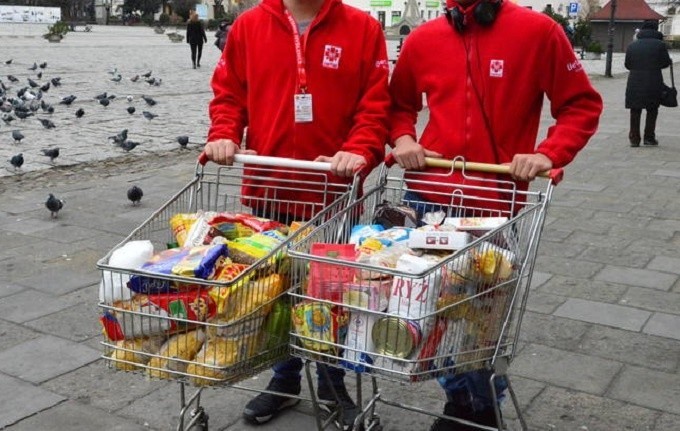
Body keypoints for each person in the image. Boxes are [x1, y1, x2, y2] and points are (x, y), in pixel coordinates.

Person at [388, 0, 602, 429]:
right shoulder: (425, 39)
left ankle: (485, 405)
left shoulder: (539, 32)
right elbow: (397, 104)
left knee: (484, 318)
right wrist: (404, 137)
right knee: (434, 314)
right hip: (429, 198)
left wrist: (548, 153)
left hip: (495, 203)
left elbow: (580, 104)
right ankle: (458, 401)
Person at [204, 0, 390, 428]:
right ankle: (285, 378)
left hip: (332, 189)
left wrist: (359, 148)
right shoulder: (250, 25)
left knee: (331, 294)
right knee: (275, 291)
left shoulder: (361, 28)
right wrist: (224, 135)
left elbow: (375, 104)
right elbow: (229, 92)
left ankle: (330, 381)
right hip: (271, 186)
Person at [625, 20, 671, 147]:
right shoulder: (660, 45)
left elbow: (627, 64)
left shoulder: (632, 45)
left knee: (635, 109)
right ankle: (649, 137)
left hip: (634, 79)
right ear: (656, 30)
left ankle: (634, 139)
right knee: (652, 109)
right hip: (653, 79)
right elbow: (666, 63)